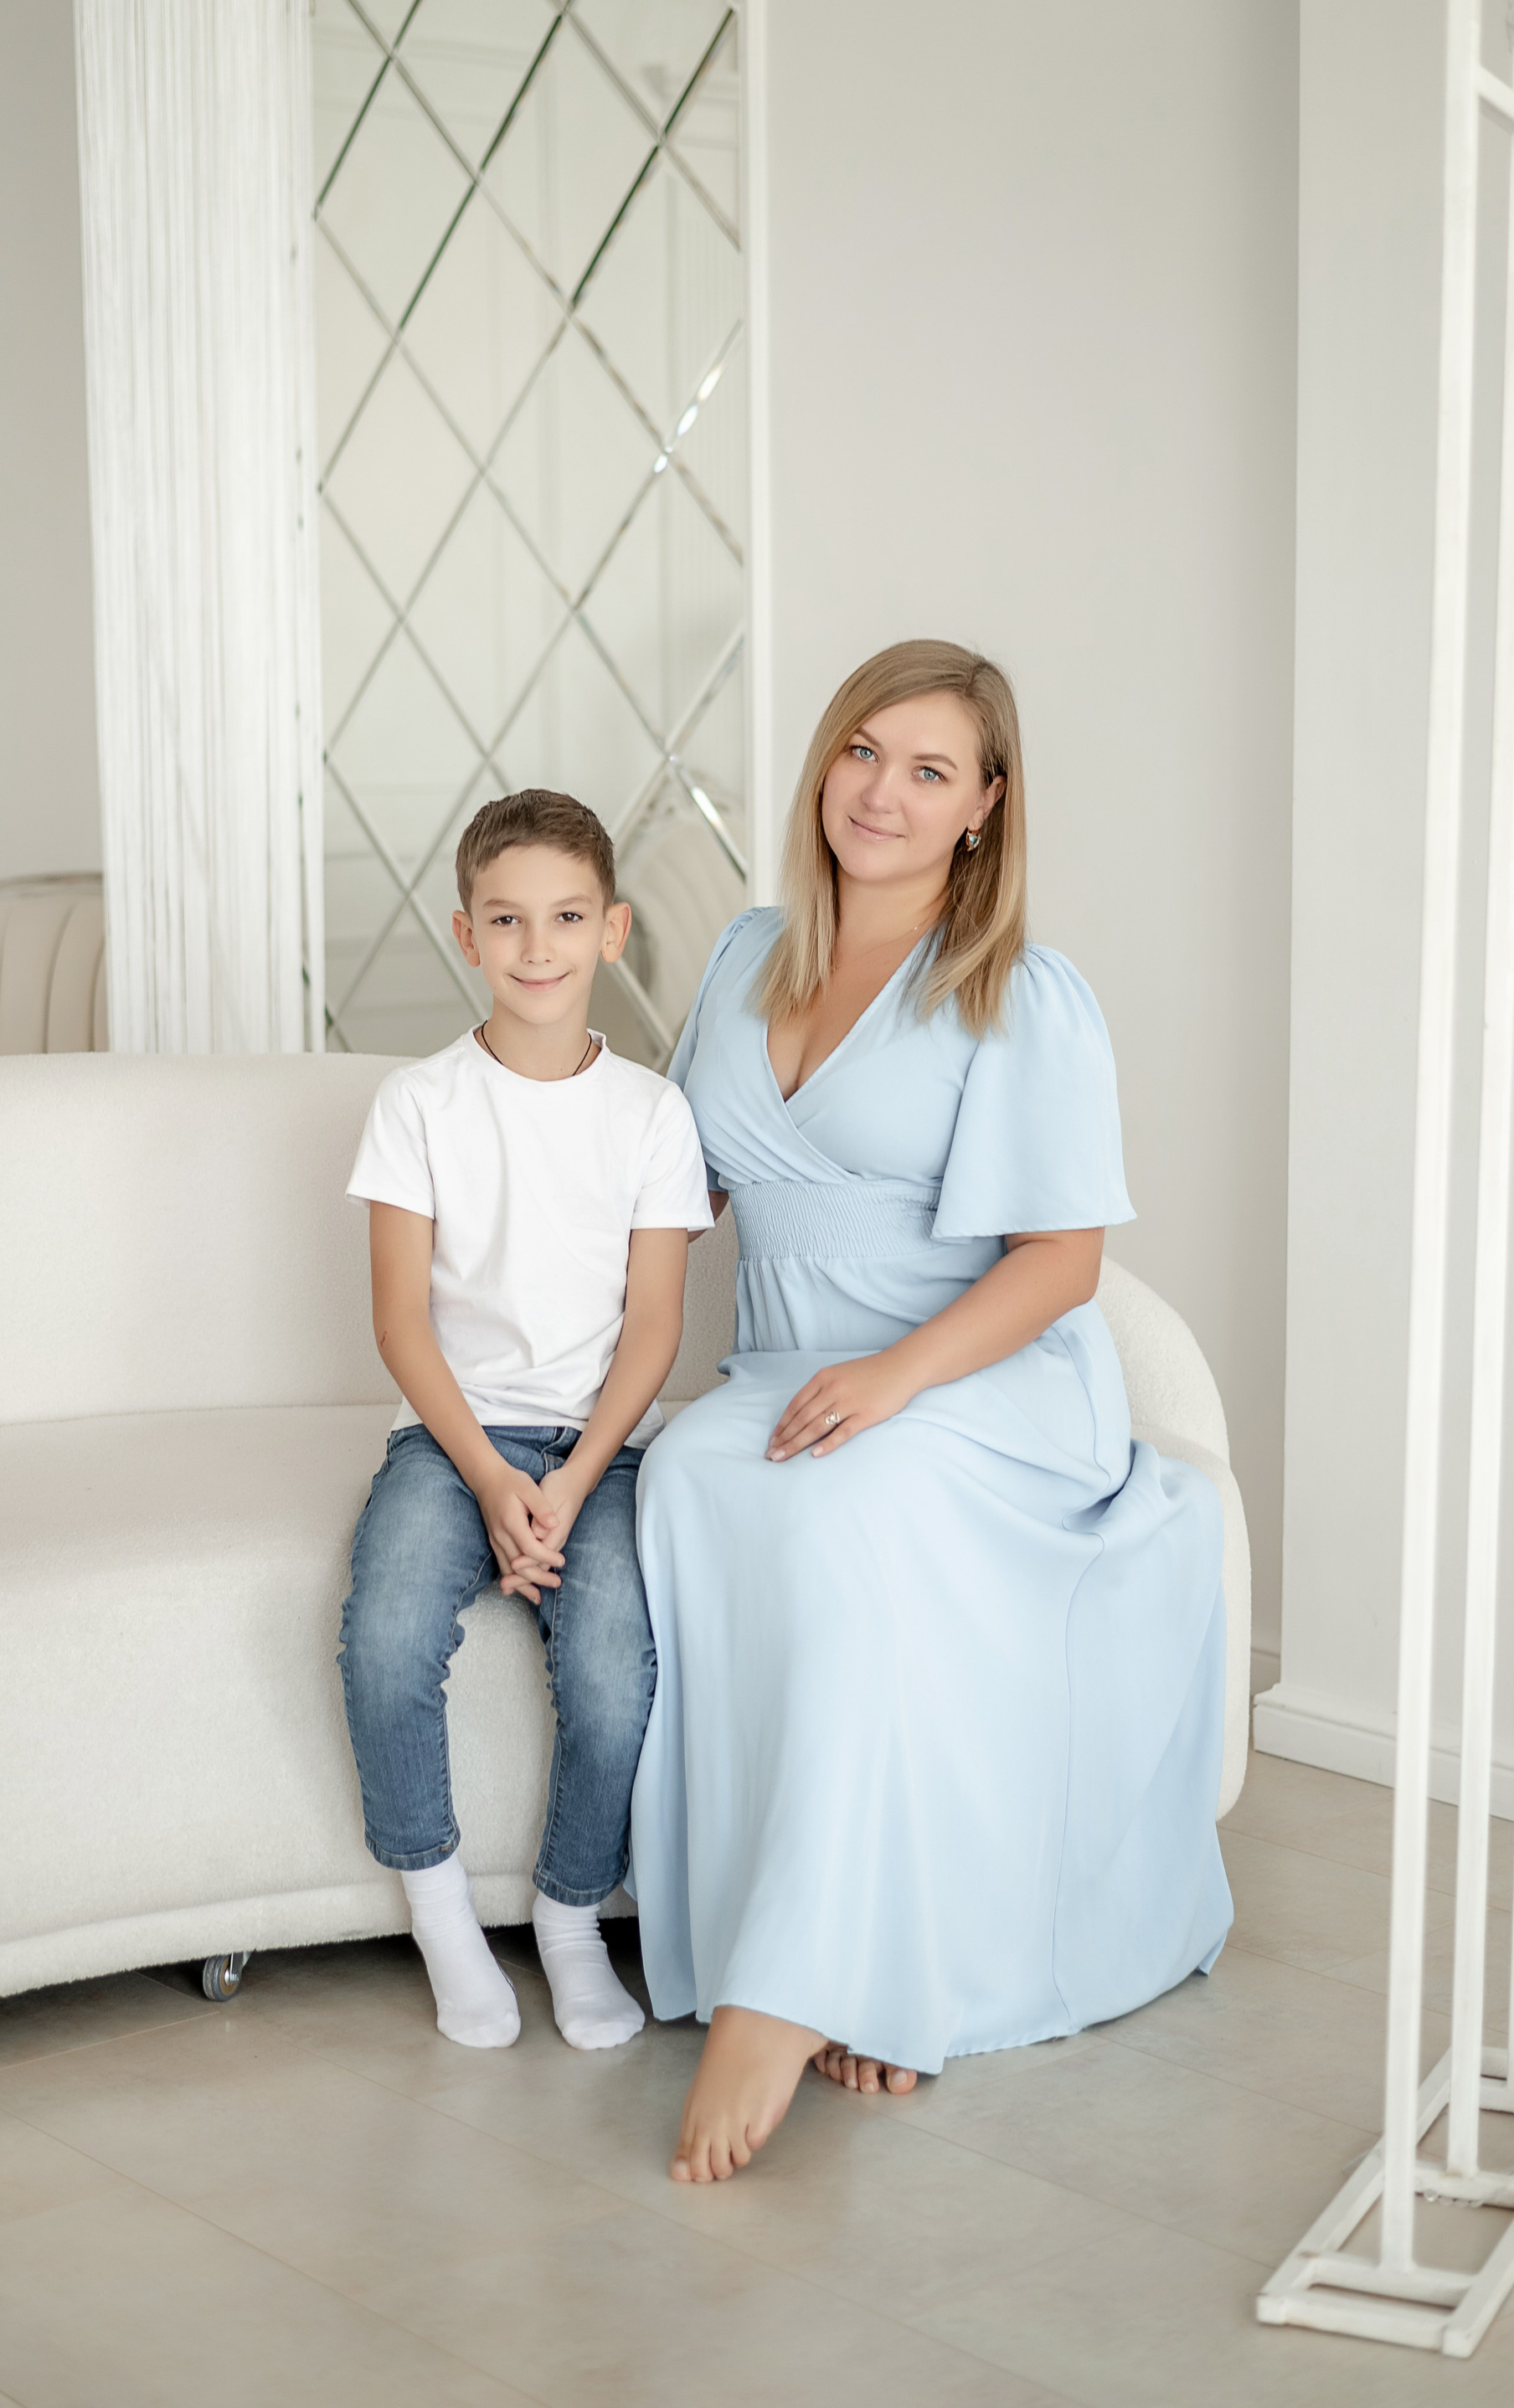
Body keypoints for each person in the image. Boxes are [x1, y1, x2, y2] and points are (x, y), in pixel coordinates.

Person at [630, 641, 1233, 2180]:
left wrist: (896, 1378)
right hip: (785, 1372)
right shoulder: (744, 955)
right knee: (689, 1475)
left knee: (858, 1500)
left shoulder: (1020, 991)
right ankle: (858, 1944)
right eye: (861, 750)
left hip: (977, 1379)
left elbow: (1062, 1263)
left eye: (928, 769)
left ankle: (796, 1986)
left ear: (986, 805)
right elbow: (676, 1186)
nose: (881, 792)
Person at [340, 789, 713, 2052]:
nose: (536, 946)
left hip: (599, 1448)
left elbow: (653, 1328)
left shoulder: (653, 1114)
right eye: (505, 920)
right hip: (452, 1439)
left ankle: (568, 1921)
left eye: (564, 918)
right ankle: (443, 1919)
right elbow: (401, 1324)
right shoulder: (418, 1103)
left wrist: (569, 1481)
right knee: (386, 1639)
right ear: (466, 933)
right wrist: (494, 1482)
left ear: (613, 930)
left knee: (613, 1676)